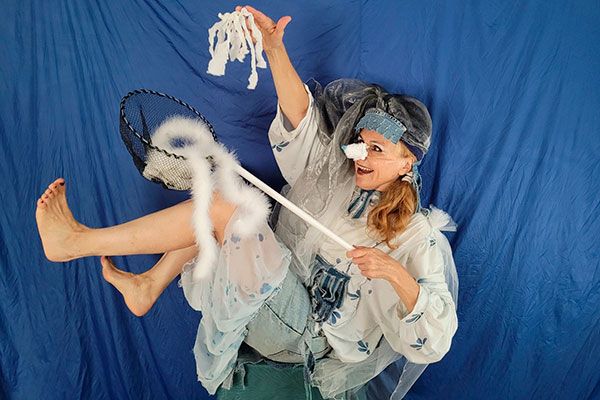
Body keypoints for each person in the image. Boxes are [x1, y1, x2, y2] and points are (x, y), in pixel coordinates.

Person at [35, 5, 458, 399]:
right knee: (229, 203)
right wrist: (273, 49)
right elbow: (300, 120)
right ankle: (149, 285)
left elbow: (435, 341)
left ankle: (76, 242)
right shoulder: (335, 176)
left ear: (407, 162)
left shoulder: (416, 236)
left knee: (225, 210)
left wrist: (393, 272)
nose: (361, 156)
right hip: (277, 297)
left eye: (377, 149)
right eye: (361, 144)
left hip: (306, 336)